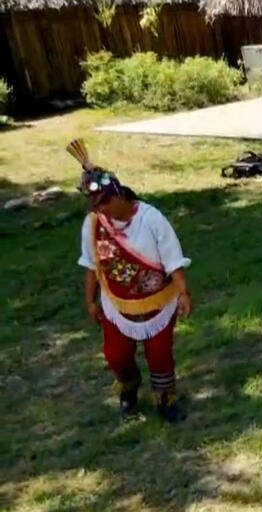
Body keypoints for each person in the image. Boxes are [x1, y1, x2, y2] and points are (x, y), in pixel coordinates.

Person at [68, 139, 191, 422]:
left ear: (117, 195)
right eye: (95, 205)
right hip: (117, 304)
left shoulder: (151, 219)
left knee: (159, 353)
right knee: (116, 354)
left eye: (104, 203)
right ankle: (129, 386)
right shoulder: (94, 224)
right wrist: (90, 300)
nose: (101, 210)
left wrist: (183, 293)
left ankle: (164, 398)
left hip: (157, 301)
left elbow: (173, 259)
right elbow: (91, 265)